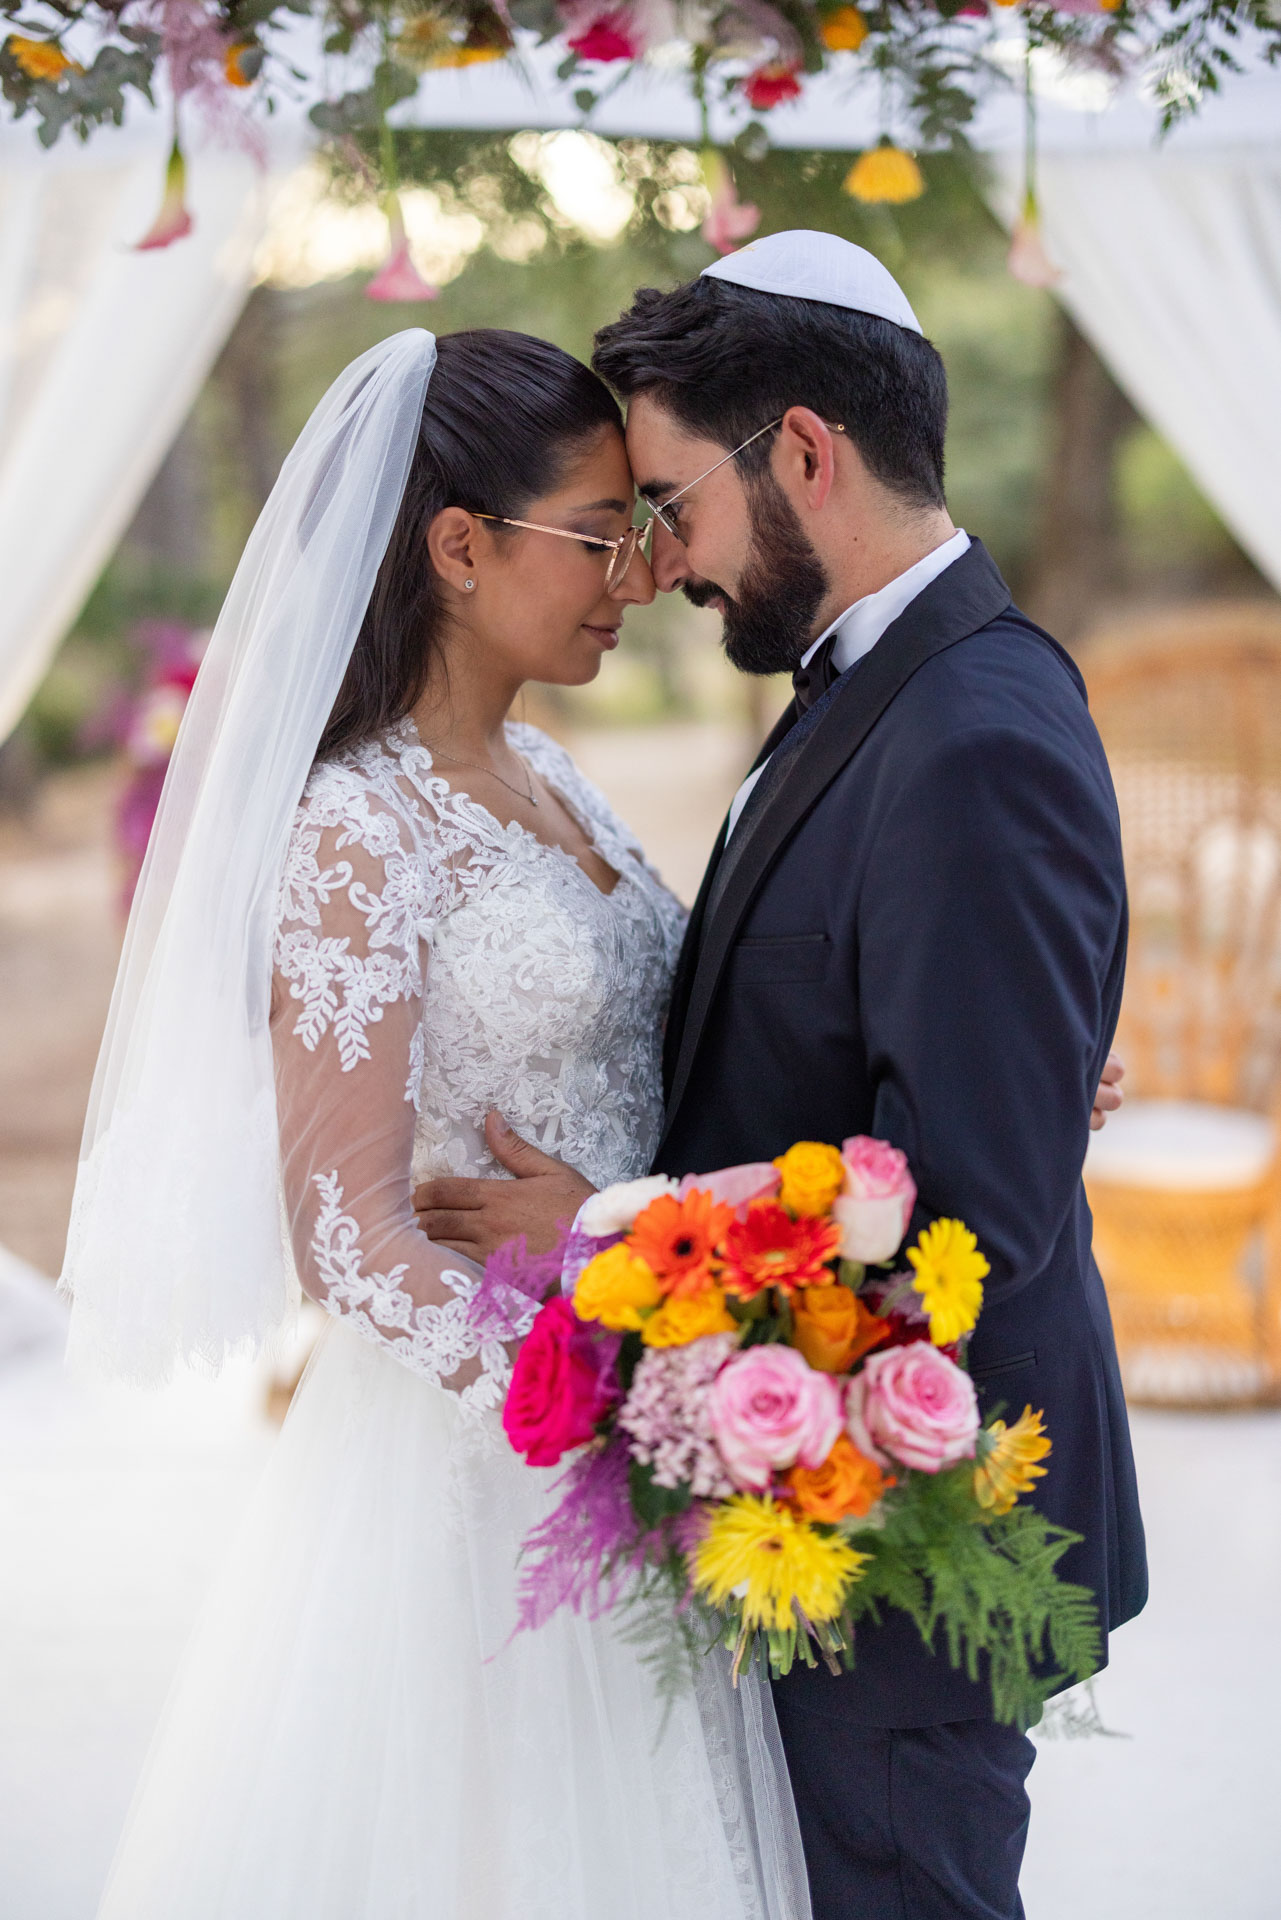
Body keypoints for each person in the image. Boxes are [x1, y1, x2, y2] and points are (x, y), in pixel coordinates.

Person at [414, 233, 1147, 1920]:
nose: (657, 562)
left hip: (905, 1523)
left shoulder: (968, 728)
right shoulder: (883, 686)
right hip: (805, 1504)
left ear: (803, 453)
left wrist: (599, 1218)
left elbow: (968, 1203)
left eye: (669, 503)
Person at [61, 328, 809, 1920]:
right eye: (601, 533)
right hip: (485, 1463)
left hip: (631, 1384)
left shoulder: (549, 771)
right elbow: (349, 1233)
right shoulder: (351, 827)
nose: (638, 569)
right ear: (458, 548)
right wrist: (603, 1411)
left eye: (643, 530)